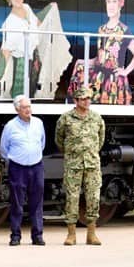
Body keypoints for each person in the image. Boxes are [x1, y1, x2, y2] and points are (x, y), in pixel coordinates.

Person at [0, 0, 71, 100]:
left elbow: (37, 23)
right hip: (20, 66)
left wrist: (49, 9)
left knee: (32, 94)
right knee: (20, 97)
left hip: (34, 62)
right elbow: (5, 51)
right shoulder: (9, 22)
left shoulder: (26, 8)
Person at [67, 0, 134, 104]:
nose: (111, 5)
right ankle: (71, 102)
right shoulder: (101, 29)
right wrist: (84, 62)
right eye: (108, 1)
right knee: (80, 66)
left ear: (120, 4)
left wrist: (125, 71)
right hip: (99, 76)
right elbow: (100, 57)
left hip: (113, 79)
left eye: (114, 1)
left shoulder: (123, 30)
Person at [55, 87, 106, 246]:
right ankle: (71, 234)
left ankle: (92, 234)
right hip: (73, 165)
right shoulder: (66, 118)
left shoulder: (96, 118)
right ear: (76, 101)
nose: (87, 101)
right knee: (72, 198)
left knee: (93, 198)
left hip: (92, 165)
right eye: (83, 99)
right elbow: (59, 139)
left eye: (89, 98)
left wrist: (90, 154)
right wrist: (72, 154)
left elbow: (100, 140)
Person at [0, 95, 46, 246]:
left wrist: (32, 155)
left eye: (29, 107)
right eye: (25, 107)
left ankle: (37, 236)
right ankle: (15, 236)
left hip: (36, 166)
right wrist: (17, 158)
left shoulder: (38, 123)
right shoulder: (10, 126)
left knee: (37, 202)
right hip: (18, 168)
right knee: (17, 203)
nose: (28, 110)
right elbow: (4, 149)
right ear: (17, 109)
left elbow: (42, 143)